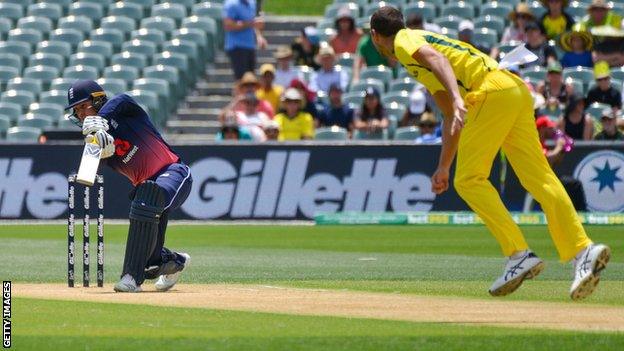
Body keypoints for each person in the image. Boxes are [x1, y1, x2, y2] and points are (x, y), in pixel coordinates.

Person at [369, 7, 610, 300]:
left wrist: (459, 98)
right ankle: (583, 251)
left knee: (469, 180)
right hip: (512, 90)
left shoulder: (404, 40)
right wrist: (443, 166)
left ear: (375, 36)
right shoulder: (416, 60)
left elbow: (438, 60)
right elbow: (449, 116)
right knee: (539, 178)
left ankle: (518, 253)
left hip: (489, 91)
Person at [65, 80, 193, 293]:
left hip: (174, 172)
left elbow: (122, 99)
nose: (80, 115)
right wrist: (96, 147)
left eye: (82, 107)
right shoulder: (96, 139)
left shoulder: (126, 112)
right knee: (151, 262)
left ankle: (131, 278)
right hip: (148, 194)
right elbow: (88, 175)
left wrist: (100, 121)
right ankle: (176, 262)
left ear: (98, 100)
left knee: (146, 193)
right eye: (76, 111)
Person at [535, 116, 587, 211]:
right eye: (549, 128)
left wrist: (563, 150)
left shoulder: (544, 144)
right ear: (542, 129)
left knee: (572, 184)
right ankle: (583, 213)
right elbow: (548, 159)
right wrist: (559, 147)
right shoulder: (535, 142)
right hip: (539, 181)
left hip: (547, 178)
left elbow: (554, 163)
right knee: (575, 185)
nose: (552, 131)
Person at [223, 0, 267, 80]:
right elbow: (228, 25)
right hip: (237, 47)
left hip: (250, 46)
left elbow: (254, 22)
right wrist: (249, 24)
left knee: (251, 79)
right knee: (241, 80)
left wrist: (259, 37)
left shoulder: (252, 3)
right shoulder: (231, 4)